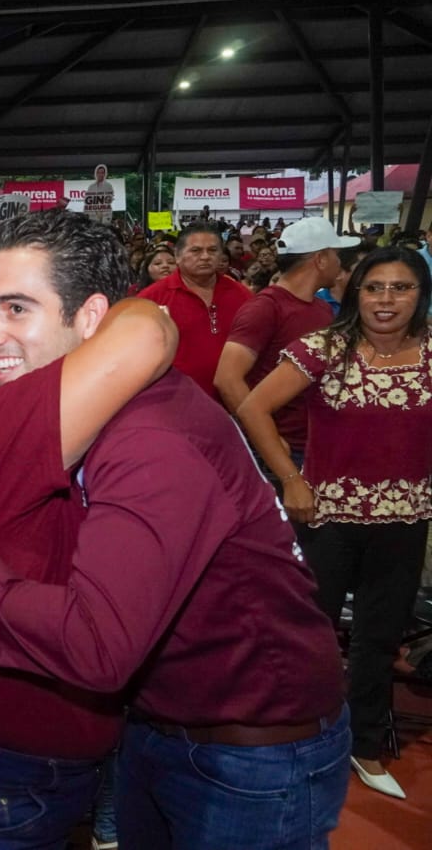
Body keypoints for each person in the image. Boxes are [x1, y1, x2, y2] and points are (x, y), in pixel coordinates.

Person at [0, 210, 348, 850]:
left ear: (93, 318)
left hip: (247, 750)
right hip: (161, 725)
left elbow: (96, 644)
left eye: (17, 309)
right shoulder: (82, 409)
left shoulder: (150, 436)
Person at [238, 246, 432, 800]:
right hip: (328, 518)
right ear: (354, 292)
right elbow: (252, 407)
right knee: (308, 631)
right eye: (375, 287)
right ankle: (294, 733)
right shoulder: (324, 346)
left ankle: (364, 745)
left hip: (407, 518)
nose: (387, 299)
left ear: (420, 295)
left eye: (401, 288)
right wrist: (290, 479)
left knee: (379, 637)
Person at [213, 217, 343, 482]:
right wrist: (269, 440)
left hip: (315, 441)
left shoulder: (321, 308)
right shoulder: (266, 308)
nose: (341, 263)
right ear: (320, 259)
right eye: (337, 255)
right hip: (285, 447)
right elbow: (227, 379)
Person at [139, 221, 253, 400]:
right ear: (177, 256)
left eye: (213, 250)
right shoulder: (151, 299)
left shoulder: (242, 295)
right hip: (174, 404)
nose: (205, 257)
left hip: (234, 403)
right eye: (196, 251)